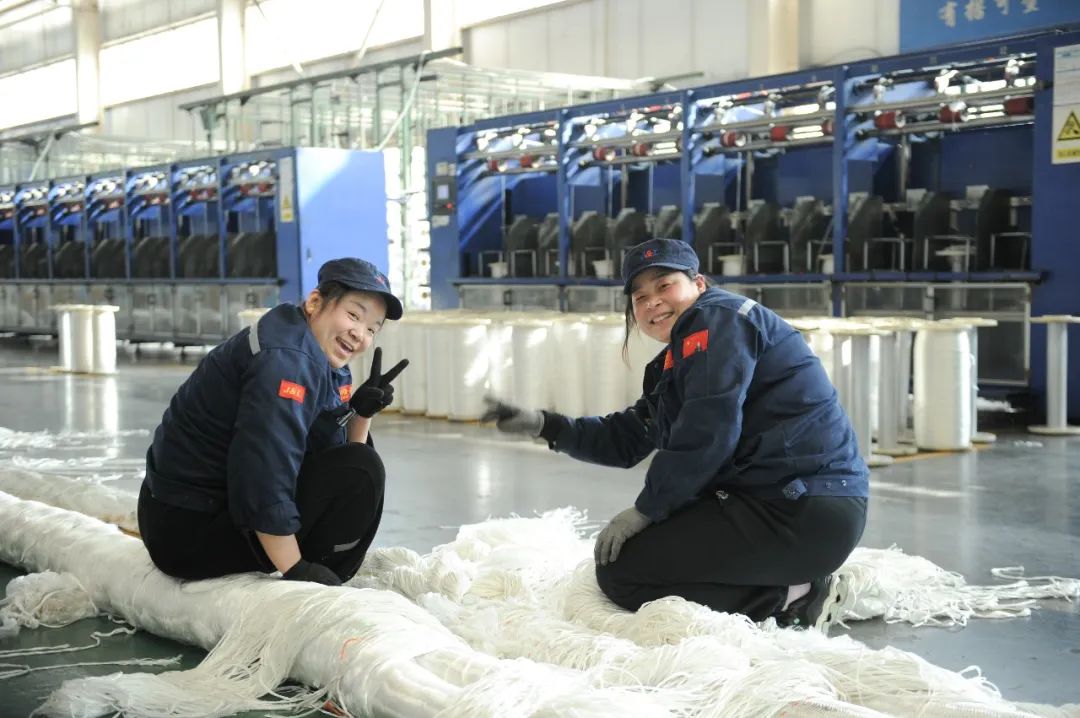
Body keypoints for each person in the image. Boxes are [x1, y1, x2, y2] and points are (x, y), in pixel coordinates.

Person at [482, 238, 869, 631]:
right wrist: (546, 425)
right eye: (639, 297)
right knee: (630, 562)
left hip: (802, 510)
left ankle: (795, 596)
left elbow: (708, 429)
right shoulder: (675, 361)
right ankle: (790, 583)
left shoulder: (718, 318)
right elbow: (628, 437)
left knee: (625, 574)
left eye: (664, 285)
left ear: (698, 284)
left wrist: (647, 509)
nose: (652, 302)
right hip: (781, 503)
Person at [138, 258, 408, 587]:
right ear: (315, 302)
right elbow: (264, 469)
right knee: (360, 469)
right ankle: (321, 576)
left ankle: (317, 566)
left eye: (371, 329)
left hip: (193, 510)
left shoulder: (316, 351)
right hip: (184, 532)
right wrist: (295, 568)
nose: (359, 334)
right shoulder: (286, 361)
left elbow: (330, 450)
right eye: (353, 315)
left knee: (357, 460)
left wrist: (361, 414)